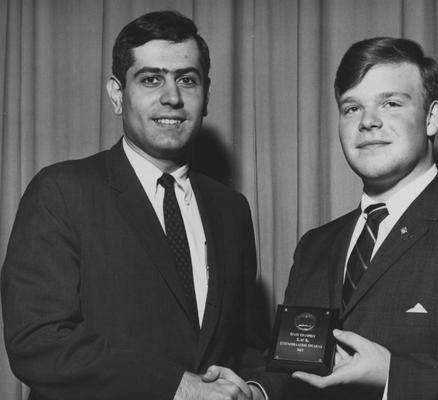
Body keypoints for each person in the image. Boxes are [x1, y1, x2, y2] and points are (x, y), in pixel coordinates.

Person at [1, 10, 267, 400]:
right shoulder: (62, 191)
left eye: (187, 80)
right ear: (116, 94)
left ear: (206, 96)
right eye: (151, 79)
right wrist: (177, 387)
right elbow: (38, 342)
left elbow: (246, 344)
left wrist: (257, 390)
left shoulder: (231, 209)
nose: (172, 97)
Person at [266, 37, 438, 399]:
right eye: (351, 108)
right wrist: (254, 390)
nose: (368, 121)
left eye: (391, 103)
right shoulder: (315, 245)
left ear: (432, 117)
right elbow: (292, 366)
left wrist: (393, 377)